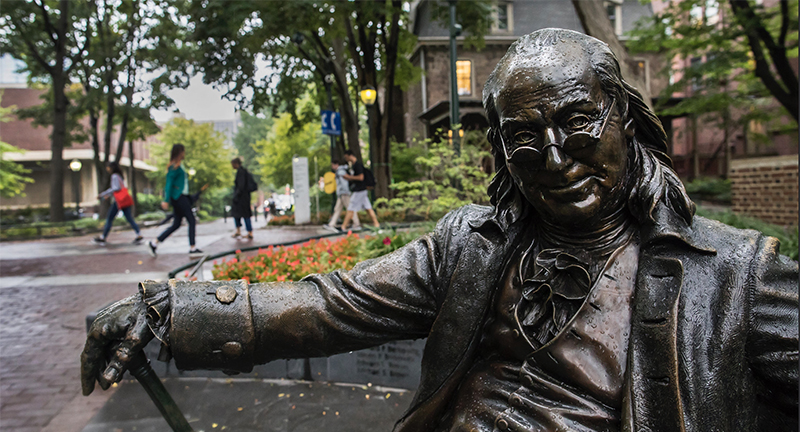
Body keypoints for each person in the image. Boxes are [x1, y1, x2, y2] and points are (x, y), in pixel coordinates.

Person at [82, 29, 798, 431]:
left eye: (578, 122)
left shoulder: (736, 277)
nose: (553, 159)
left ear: (628, 122)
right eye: (523, 139)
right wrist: (171, 310)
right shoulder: (471, 245)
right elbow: (331, 303)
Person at [147, 144, 203, 257]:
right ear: (179, 152)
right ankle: (192, 248)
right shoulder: (174, 167)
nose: (184, 153)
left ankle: (154, 243)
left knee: (176, 224)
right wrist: (165, 200)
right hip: (178, 198)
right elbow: (168, 184)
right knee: (191, 220)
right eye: (183, 151)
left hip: (182, 197)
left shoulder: (179, 166)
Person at [93, 162, 142, 245]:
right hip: (124, 200)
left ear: (111, 168)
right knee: (129, 218)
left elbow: (115, 188)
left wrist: (103, 194)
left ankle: (103, 237)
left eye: (108, 167)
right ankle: (139, 234)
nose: (107, 169)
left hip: (118, 201)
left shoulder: (114, 176)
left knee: (109, 218)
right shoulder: (120, 176)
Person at [340, 150, 379, 230]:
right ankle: (376, 224)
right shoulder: (354, 166)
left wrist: (349, 177)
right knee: (368, 207)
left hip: (359, 190)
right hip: (362, 190)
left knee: (351, 207)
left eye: (346, 157)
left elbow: (361, 177)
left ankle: (343, 226)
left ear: (350, 155)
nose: (346, 159)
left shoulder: (357, 166)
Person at [323, 160, 360, 232]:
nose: (332, 167)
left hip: (344, 193)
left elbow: (344, 183)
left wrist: (345, 191)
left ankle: (356, 224)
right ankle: (332, 224)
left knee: (350, 208)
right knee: (337, 209)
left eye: (333, 165)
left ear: (336, 164)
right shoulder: (342, 171)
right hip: (342, 193)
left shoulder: (340, 172)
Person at [230, 157, 254, 240]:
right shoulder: (244, 171)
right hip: (245, 197)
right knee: (243, 215)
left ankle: (247, 231)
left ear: (236, 164)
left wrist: (236, 196)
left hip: (241, 198)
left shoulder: (241, 172)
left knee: (241, 214)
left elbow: (241, 186)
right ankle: (244, 231)